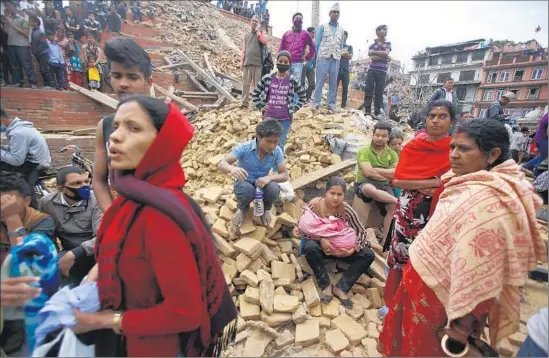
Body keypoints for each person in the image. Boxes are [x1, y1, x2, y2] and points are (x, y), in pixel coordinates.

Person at [72, 95, 237, 357]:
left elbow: (185, 314)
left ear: (162, 143)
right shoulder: (132, 201)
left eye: (133, 128)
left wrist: (102, 320)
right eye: (115, 126)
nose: (115, 136)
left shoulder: (158, 217)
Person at [379, 118, 547, 357]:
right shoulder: (465, 184)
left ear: (493, 154)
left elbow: (482, 269)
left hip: (444, 306)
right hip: (423, 288)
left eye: (464, 149)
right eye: (453, 147)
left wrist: (460, 327)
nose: (454, 155)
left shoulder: (493, 200)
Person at [384, 99, 454, 306]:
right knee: (400, 258)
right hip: (408, 215)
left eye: (442, 116)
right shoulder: (413, 147)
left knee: (428, 262)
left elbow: (457, 181)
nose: (436, 121)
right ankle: (393, 304)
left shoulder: (456, 150)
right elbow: (397, 179)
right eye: (431, 116)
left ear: (451, 121)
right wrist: (430, 183)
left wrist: (437, 186)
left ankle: (417, 305)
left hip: (439, 215)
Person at [93, 37, 153, 213]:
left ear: (148, 82)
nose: (123, 84)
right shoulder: (105, 126)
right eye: (117, 76)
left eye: (132, 77)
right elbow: (98, 180)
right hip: (125, 216)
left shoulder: (164, 122)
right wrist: (113, 216)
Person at [296, 177, 375, 307]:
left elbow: (361, 231)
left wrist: (351, 250)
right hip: (321, 249)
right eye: (332, 193)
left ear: (344, 195)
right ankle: (325, 284)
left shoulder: (347, 210)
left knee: (368, 254)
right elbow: (302, 228)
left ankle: (341, 288)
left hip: (342, 250)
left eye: (340, 194)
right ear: (325, 192)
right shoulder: (315, 205)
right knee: (310, 247)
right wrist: (321, 239)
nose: (335, 198)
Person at [0, 172, 55, 357]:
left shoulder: (42, 221)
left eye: (9, 203)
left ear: (27, 201)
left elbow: (28, 265)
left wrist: (12, 220)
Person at [218, 120, 289, 228]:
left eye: (275, 142)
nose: (272, 146)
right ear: (259, 137)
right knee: (246, 190)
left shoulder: (277, 151)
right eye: (268, 141)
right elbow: (222, 164)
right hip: (244, 183)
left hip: (262, 184)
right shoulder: (244, 148)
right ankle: (242, 209)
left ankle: (266, 209)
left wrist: (269, 178)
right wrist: (232, 169)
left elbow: (284, 175)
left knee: (274, 188)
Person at [39, 166, 102, 285]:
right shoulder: (47, 202)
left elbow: (103, 237)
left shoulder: (97, 200)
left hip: (97, 251)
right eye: (77, 183)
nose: (84, 186)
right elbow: (46, 232)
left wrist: (75, 253)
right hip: (68, 249)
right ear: (61, 188)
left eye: (87, 181)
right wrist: (51, 255)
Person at [251, 50, 306, 151]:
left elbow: (302, 95)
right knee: (265, 141)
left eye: (286, 62)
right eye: (280, 61)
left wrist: (294, 108)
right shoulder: (268, 78)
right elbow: (255, 94)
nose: (283, 64)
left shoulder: (292, 80)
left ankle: (277, 165)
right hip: (269, 116)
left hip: (285, 118)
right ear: (277, 62)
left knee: (280, 144)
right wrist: (260, 106)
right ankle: (263, 164)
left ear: (289, 64)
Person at [354, 121, 398, 241]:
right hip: (365, 183)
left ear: (388, 138)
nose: (380, 138)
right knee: (369, 189)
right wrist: (386, 174)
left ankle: (385, 241)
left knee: (392, 208)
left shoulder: (392, 154)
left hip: (384, 185)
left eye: (384, 136)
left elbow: (395, 172)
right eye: (377, 135)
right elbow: (367, 172)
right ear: (372, 135)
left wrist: (378, 172)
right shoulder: (364, 151)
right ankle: (397, 201)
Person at [0, 108, 51, 207]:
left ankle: (30, 208)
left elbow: (16, 160)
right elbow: (17, 149)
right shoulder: (19, 128)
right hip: (34, 160)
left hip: (35, 164)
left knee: (24, 186)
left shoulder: (18, 133)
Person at [312, 3, 344, 113]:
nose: (336, 14)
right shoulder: (322, 27)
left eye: (338, 12)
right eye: (334, 12)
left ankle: (331, 104)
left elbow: (341, 45)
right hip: (323, 57)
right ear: (329, 14)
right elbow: (317, 44)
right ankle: (316, 103)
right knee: (320, 81)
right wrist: (317, 57)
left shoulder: (342, 30)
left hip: (335, 58)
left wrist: (338, 54)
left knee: (333, 82)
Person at [4, 2, 37, 89]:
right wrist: (6, 24)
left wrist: (12, 25)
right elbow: (8, 32)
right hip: (11, 44)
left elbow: (26, 33)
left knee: (26, 64)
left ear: (14, 6)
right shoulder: (9, 19)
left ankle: (32, 82)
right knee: (15, 65)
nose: (6, 7)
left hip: (22, 45)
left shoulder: (24, 19)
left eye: (8, 5)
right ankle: (18, 82)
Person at [279, 12, 315, 88]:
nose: (298, 19)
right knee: (284, 84)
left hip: (298, 64)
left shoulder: (305, 34)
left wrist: (306, 57)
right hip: (286, 63)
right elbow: (281, 48)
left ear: (302, 21)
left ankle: (295, 100)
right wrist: (280, 60)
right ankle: (285, 100)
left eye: (300, 18)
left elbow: (313, 47)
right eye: (296, 18)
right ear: (293, 21)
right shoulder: (286, 34)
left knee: (295, 85)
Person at [240, 15, 269, 108]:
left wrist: (258, 32)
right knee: (245, 84)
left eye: (256, 21)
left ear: (259, 23)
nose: (254, 22)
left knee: (257, 85)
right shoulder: (246, 36)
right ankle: (244, 103)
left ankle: (256, 104)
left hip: (258, 63)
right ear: (250, 22)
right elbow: (244, 49)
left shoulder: (262, 33)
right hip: (247, 63)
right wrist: (242, 61)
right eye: (253, 20)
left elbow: (264, 41)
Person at [363, 25, 390, 119]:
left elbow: (386, 53)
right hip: (372, 70)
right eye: (384, 29)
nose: (386, 31)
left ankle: (377, 112)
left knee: (379, 92)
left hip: (382, 71)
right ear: (378, 32)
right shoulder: (372, 45)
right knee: (368, 90)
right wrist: (383, 57)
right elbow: (371, 56)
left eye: (386, 30)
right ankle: (367, 111)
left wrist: (375, 53)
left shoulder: (388, 44)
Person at [29, 15, 53, 89]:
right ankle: (46, 84)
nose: (29, 22)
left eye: (31, 21)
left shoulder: (40, 32)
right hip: (38, 54)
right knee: (42, 69)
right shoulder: (33, 31)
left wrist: (36, 50)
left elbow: (44, 44)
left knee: (45, 69)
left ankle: (49, 85)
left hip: (43, 53)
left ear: (36, 22)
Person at [336, 31, 353, 108]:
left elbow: (350, 57)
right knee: (334, 88)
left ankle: (343, 105)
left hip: (345, 70)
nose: (343, 37)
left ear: (346, 37)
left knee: (345, 88)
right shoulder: (337, 46)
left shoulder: (349, 47)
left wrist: (340, 54)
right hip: (336, 69)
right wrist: (344, 54)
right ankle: (332, 103)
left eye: (344, 35)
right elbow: (334, 54)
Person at [302, 26, 316, 102]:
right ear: (308, 33)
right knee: (301, 83)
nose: (314, 34)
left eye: (314, 33)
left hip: (311, 66)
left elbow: (315, 54)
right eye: (313, 33)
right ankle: (302, 99)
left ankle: (308, 97)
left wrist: (314, 64)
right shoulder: (303, 41)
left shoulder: (314, 43)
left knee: (312, 84)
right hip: (303, 65)